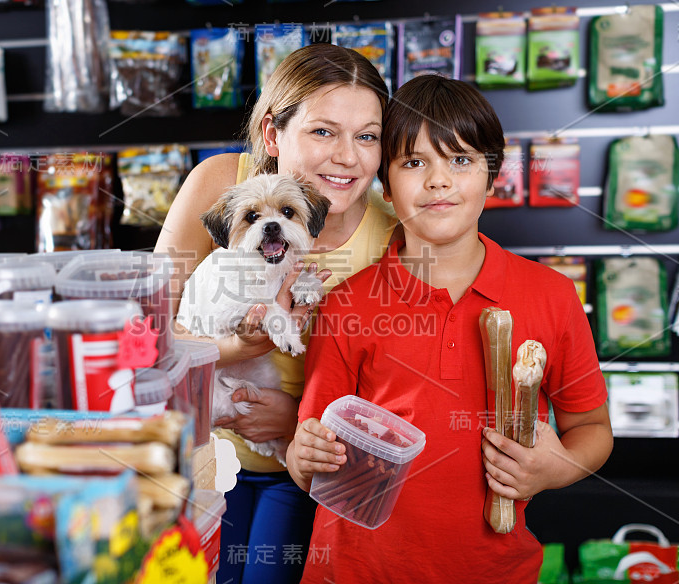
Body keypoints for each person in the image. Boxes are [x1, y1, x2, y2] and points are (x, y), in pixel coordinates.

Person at [286, 74, 614, 583]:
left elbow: (592, 429)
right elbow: (308, 453)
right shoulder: (345, 304)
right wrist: (303, 456)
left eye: (460, 160)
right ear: (386, 187)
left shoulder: (551, 295)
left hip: (495, 571)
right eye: (414, 162)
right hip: (355, 571)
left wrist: (559, 469)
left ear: (493, 174)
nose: (438, 180)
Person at [154, 43, 401, 584]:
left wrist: (296, 420)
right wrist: (239, 350)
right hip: (205, 454)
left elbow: (395, 396)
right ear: (272, 133)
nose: (347, 156)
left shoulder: (393, 234)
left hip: (312, 470)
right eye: (322, 131)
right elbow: (145, 334)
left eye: (367, 136)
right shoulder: (221, 184)